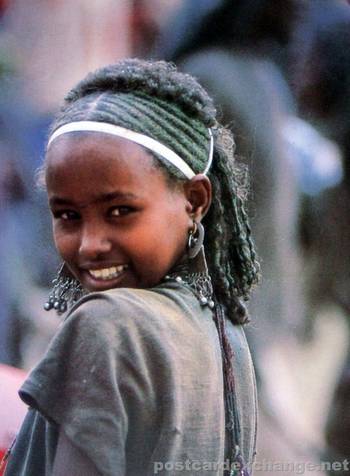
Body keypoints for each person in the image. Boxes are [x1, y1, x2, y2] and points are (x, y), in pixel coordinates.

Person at [3, 59, 259, 476]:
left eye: (120, 211)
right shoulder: (224, 331)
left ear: (194, 200)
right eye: (68, 216)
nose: (90, 244)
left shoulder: (107, 327)